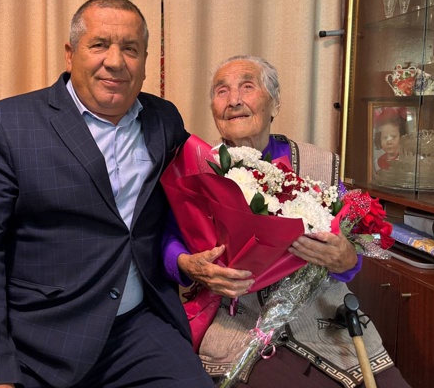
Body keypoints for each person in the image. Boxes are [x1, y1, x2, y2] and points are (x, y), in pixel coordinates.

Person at [0, 0, 214, 388]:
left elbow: (196, 193)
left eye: (130, 49)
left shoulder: (163, 120)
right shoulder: (8, 126)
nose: (115, 61)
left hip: (135, 330)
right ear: (70, 54)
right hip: (35, 339)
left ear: (145, 61)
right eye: (99, 45)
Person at [163, 55, 411, 387]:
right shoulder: (198, 167)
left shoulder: (319, 164)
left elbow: (354, 247)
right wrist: (189, 265)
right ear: (213, 108)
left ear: (274, 102)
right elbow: (168, 239)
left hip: (324, 317)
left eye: (247, 87)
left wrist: (347, 259)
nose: (233, 100)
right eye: (222, 91)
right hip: (237, 318)